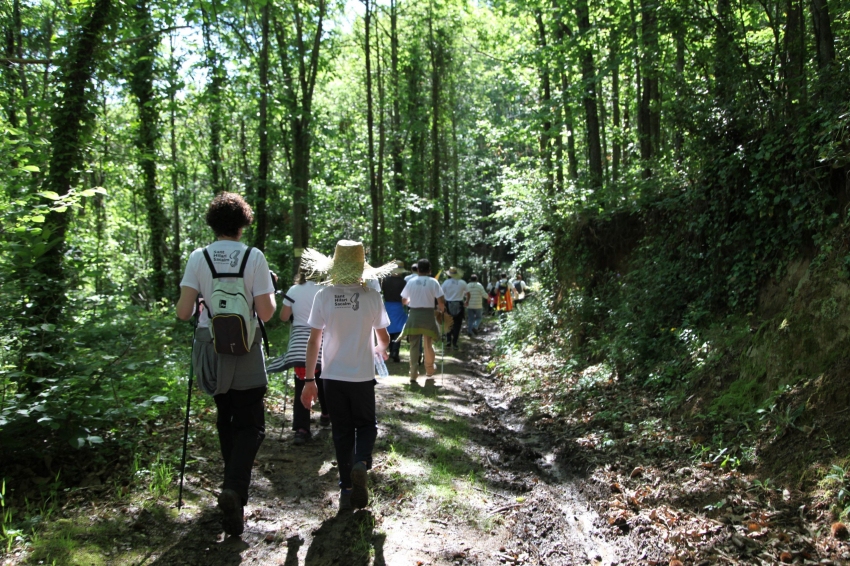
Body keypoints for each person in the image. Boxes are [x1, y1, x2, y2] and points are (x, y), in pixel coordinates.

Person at [176, 192, 276, 537]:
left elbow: (183, 312)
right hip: (246, 346)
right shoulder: (254, 257)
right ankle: (233, 489)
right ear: (243, 224)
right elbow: (266, 313)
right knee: (252, 424)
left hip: (211, 345)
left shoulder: (198, 257)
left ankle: (231, 487)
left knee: (226, 417)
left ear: (213, 223)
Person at [299, 240, 393, 512]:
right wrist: (380, 348)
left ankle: (346, 486)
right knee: (366, 425)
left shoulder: (324, 296)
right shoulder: (373, 297)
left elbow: (314, 341)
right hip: (362, 375)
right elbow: (384, 338)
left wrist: (309, 380)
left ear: (335, 268)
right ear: (362, 269)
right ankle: (361, 463)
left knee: (341, 432)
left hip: (332, 377)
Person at [271, 271, 329, 445]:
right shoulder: (326, 290)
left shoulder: (294, 290)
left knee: (302, 383)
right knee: (322, 379)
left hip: (298, 344)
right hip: (321, 340)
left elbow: (283, 316)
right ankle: (326, 414)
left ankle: (302, 429)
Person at [399, 259, 445, 383]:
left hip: (414, 314)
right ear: (429, 270)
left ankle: (413, 373)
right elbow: (440, 300)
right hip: (428, 315)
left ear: (418, 269)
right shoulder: (433, 282)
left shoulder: (411, 282)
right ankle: (429, 369)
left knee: (414, 345)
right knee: (428, 344)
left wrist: (410, 302)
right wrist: (442, 310)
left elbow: (404, 300)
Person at [381, 261, 408, 363]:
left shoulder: (385, 280)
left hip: (387, 306)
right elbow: (405, 297)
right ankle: (394, 351)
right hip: (398, 306)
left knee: (388, 327)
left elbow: (382, 291)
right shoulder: (403, 282)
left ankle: (389, 349)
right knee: (398, 329)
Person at [441, 267, 467, 350]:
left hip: (449, 304)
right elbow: (468, 293)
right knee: (457, 324)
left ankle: (448, 340)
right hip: (459, 303)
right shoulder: (462, 282)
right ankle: (455, 343)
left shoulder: (446, 282)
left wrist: (442, 303)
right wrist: (467, 301)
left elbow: (441, 293)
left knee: (448, 323)